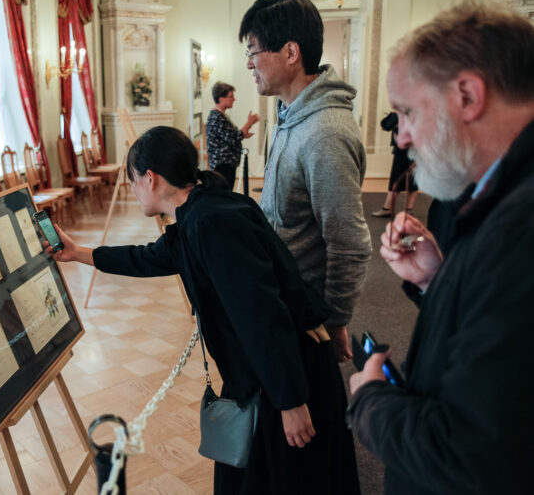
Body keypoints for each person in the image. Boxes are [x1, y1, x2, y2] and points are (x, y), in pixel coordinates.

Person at [47, 126, 361, 494]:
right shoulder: (204, 211)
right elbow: (147, 258)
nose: (133, 190)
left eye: (133, 181)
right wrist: (78, 253)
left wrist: (291, 401)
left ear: (151, 178)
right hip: (270, 372)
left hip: (286, 373)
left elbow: (262, 316)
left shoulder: (212, 222)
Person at [348, 1, 534, 494]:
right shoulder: (501, 194)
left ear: (468, 95)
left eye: (407, 111)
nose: (402, 135)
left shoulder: (522, 224)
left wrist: (370, 400)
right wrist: (438, 280)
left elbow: (469, 452)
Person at [239, 0, 371, 363]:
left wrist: (335, 319)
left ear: (291, 52)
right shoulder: (287, 112)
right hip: (281, 303)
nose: (249, 63)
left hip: (306, 319)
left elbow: (349, 243)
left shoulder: (325, 133)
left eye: (253, 51)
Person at [206, 81, 260, 189]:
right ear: (221, 99)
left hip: (225, 164)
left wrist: (243, 133)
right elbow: (235, 137)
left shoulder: (220, 115)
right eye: (231, 97)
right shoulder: (217, 117)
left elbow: (233, 136)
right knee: (224, 196)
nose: (234, 99)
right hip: (222, 165)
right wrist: (249, 123)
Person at [371, 112, 419, 217]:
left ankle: (404, 209)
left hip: (414, 150)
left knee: (412, 180)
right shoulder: (400, 113)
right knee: (398, 179)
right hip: (403, 151)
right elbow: (385, 125)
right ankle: (391, 208)